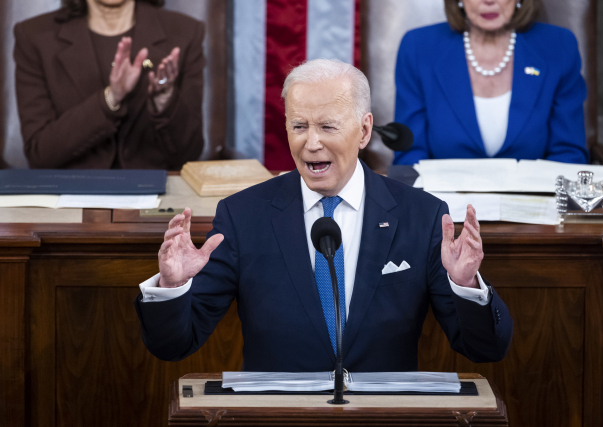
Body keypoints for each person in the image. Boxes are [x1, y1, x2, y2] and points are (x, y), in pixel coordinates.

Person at [134, 59, 513, 372]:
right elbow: (174, 345)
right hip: (279, 417)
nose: (311, 143)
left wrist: (465, 285)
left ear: (364, 131)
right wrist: (172, 288)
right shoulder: (242, 216)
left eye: (328, 126)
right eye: (299, 126)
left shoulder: (422, 215)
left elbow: (485, 349)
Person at [393, 0, 589, 165]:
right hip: (444, 204)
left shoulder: (559, 46)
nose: (489, 1)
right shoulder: (418, 47)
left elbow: (568, 153)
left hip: (533, 203)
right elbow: (410, 156)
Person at [14, 0, 204, 169]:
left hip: (158, 194)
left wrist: (165, 101)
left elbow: (189, 155)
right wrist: (111, 98)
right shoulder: (34, 36)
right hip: (70, 196)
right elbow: (39, 154)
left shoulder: (186, 32)